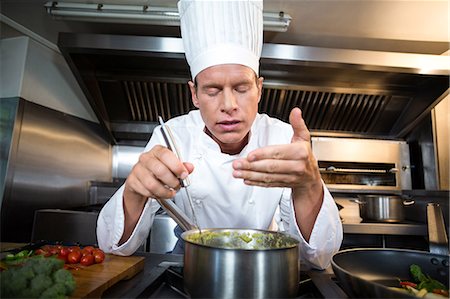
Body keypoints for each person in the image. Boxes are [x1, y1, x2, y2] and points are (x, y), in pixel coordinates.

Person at [97, 0, 342, 270]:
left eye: (241, 88)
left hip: (262, 262)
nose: (228, 104)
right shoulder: (171, 137)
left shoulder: (283, 138)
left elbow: (320, 258)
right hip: (189, 261)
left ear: (259, 89)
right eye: (213, 90)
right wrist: (134, 191)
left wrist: (309, 185)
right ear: (194, 94)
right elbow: (112, 247)